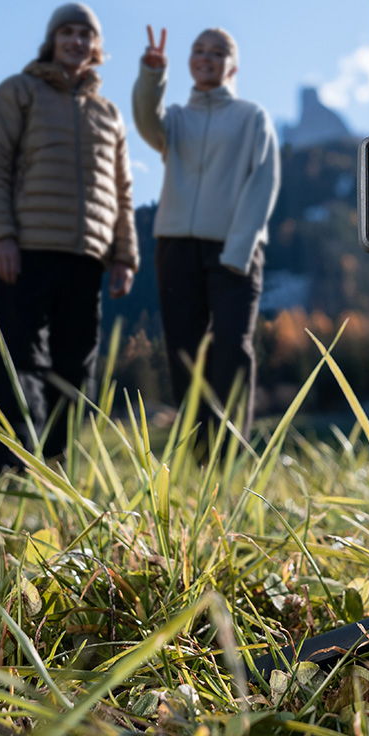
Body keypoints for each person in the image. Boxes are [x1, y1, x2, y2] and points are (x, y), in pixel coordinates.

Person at [0, 2, 137, 476]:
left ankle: (55, 469)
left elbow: (123, 192)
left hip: (88, 257)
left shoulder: (108, 114)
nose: (76, 41)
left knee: (74, 369)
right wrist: (0, 236)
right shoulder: (18, 92)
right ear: (51, 40)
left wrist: (124, 255)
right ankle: (12, 471)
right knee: (18, 360)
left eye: (86, 34)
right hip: (26, 250)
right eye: (67, 32)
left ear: (97, 46)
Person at [133, 25, 280, 437]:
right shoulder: (176, 120)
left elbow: (263, 182)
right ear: (189, 61)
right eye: (199, 50)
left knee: (232, 349)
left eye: (217, 52)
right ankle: (199, 459)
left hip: (235, 249)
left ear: (231, 66)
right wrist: (151, 75)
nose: (207, 57)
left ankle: (230, 455)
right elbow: (147, 123)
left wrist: (238, 250)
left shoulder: (251, 118)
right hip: (176, 248)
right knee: (183, 352)